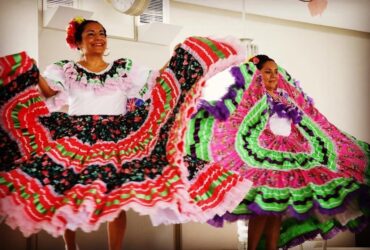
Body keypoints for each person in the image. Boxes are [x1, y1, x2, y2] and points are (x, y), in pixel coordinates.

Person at [0, 17, 251, 250]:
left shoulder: (124, 68)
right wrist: (31, 71)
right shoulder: (65, 69)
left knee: (115, 196)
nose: (98, 37)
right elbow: (51, 93)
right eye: (91, 33)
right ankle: (70, 246)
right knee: (69, 191)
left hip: (118, 135)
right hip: (77, 135)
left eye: (102, 33)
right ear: (78, 41)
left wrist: (179, 57)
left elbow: (156, 80)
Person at [184, 54, 370, 249]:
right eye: (267, 72)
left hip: (287, 156)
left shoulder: (285, 97)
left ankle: (272, 247)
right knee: (263, 209)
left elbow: (306, 122)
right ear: (257, 75)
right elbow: (240, 122)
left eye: (275, 72)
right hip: (263, 157)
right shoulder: (252, 97)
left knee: (276, 211)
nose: (273, 76)